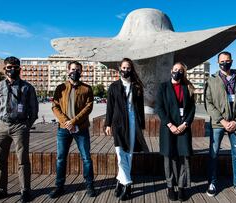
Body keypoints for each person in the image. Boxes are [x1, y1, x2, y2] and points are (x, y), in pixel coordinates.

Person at [0, 56, 39, 202]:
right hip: (2, 126)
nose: (12, 69)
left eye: (15, 67)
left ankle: (25, 190)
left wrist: (26, 125)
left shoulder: (27, 88)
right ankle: (1, 190)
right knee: (0, 159)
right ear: (4, 69)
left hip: (19, 126)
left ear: (19, 69)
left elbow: (34, 111)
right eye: (9, 67)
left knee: (23, 160)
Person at [204, 51, 236, 198]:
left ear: (232, 61)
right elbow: (208, 102)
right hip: (218, 124)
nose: (225, 63)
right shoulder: (212, 80)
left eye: (227, 60)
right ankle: (212, 182)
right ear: (218, 63)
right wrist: (222, 121)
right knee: (213, 153)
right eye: (222, 61)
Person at [49, 61, 96, 198]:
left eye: (78, 70)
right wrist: (65, 122)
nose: (74, 72)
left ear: (81, 72)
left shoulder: (87, 89)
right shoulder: (60, 88)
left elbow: (88, 108)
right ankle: (59, 186)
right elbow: (55, 106)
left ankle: (89, 185)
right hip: (63, 129)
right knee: (61, 158)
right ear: (68, 70)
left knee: (86, 158)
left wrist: (74, 121)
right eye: (73, 69)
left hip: (80, 128)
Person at [105, 58, 149, 201]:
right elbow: (109, 107)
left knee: (129, 154)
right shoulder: (113, 87)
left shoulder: (136, 86)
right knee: (120, 153)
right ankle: (128, 183)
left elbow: (141, 108)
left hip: (133, 122)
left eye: (128, 68)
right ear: (119, 68)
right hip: (118, 123)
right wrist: (107, 124)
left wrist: (141, 125)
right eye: (123, 68)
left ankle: (120, 182)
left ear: (132, 69)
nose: (125, 70)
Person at [155, 62, 196, 201]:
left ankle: (182, 187)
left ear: (183, 73)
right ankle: (170, 186)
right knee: (169, 157)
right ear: (171, 70)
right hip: (168, 128)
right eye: (175, 69)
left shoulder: (188, 87)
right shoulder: (163, 87)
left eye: (180, 70)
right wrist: (170, 124)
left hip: (183, 127)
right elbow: (159, 108)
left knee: (184, 158)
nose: (177, 72)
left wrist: (185, 124)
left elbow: (192, 109)